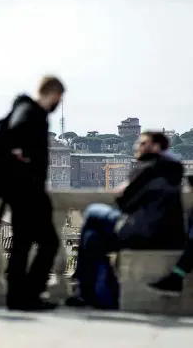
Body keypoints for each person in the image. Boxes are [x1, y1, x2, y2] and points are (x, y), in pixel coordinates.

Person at [68, 132, 185, 309]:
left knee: (92, 211)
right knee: (92, 238)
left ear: (156, 147)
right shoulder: (172, 171)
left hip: (141, 232)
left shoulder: (148, 168)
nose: (138, 146)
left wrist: (126, 187)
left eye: (143, 143)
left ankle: (84, 287)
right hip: (161, 234)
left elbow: (125, 203)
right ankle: (99, 297)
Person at [4, 76, 65, 311]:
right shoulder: (31, 113)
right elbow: (15, 141)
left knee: (22, 245)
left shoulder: (24, 110)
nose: (58, 103)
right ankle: (29, 295)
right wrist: (26, 163)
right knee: (48, 243)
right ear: (52, 93)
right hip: (27, 191)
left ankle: (18, 297)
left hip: (22, 190)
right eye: (58, 98)